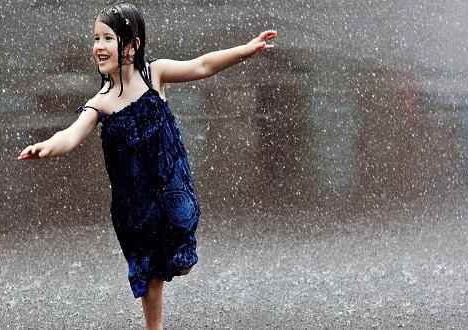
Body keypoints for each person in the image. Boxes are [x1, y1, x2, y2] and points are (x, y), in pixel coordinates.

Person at [17, 2, 277, 329]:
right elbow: (71, 135)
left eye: (107, 39)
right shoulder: (101, 103)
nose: (98, 47)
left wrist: (246, 50)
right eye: (96, 39)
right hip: (134, 203)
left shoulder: (155, 74)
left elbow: (202, 65)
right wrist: (46, 147)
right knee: (149, 275)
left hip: (170, 187)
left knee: (169, 253)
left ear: (132, 45)